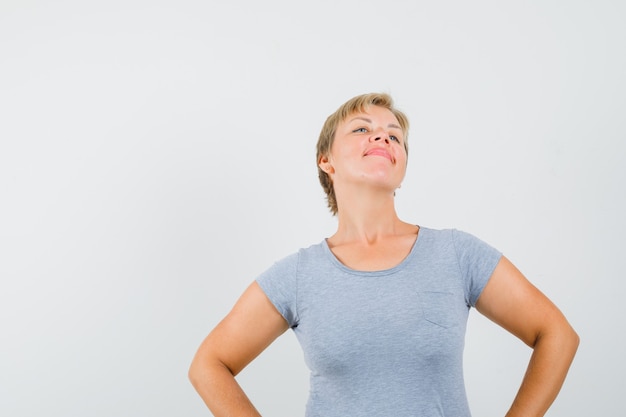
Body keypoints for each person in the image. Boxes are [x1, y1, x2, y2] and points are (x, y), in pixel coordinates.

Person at [188, 93, 579, 417]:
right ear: (326, 161)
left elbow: (557, 335)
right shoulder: (297, 275)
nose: (383, 138)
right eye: (362, 129)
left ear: (402, 166)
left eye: (394, 136)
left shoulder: (457, 255)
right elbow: (209, 364)